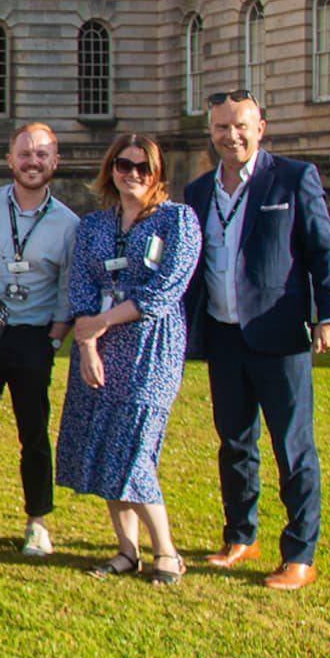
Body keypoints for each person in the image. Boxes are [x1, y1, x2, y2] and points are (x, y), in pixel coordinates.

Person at [183, 91, 330, 590]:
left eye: (240, 126)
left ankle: (299, 552)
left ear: (261, 127)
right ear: (210, 133)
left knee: (293, 447)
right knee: (234, 443)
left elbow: (323, 251)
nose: (231, 135)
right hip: (224, 335)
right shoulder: (197, 192)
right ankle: (240, 536)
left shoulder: (294, 178)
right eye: (220, 127)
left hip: (279, 335)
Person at [58, 135, 201, 586]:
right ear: (111, 169)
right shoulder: (94, 226)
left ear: (157, 173)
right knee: (101, 445)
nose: (133, 174)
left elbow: (164, 289)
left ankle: (167, 552)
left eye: (143, 167)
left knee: (134, 450)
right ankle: (126, 550)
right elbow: (80, 288)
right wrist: (87, 346)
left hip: (150, 348)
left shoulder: (178, 221)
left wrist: (101, 323)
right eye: (124, 165)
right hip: (99, 350)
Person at [0, 123, 78, 555]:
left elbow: (70, 286)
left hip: (35, 338)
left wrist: (54, 339)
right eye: (25, 154)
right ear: (10, 159)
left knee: (34, 433)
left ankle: (37, 520)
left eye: (42, 155)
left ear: (55, 162)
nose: (33, 162)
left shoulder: (68, 223)